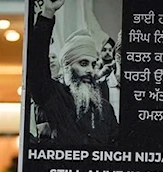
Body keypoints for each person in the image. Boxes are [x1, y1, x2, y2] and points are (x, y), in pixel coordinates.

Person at [28, 0, 119, 146]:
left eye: (93, 64)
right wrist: (48, 14)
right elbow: (36, 68)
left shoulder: (106, 109)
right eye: (83, 63)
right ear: (67, 67)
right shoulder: (54, 97)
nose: (90, 70)